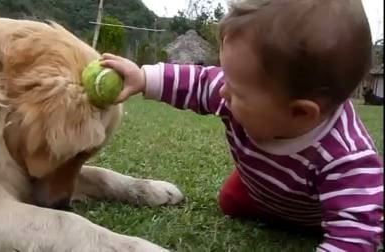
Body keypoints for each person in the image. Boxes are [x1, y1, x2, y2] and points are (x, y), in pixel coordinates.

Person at [100, 0, 383, 251]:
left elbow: (354, 238)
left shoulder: (346, 159)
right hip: (259, 190)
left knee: (362, 216)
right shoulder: (234, 90)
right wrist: (143, 77)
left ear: (300, 113)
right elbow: (196, 82)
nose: (222, 92)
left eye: (236, 92)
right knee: (230, 202)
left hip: (317, 215)